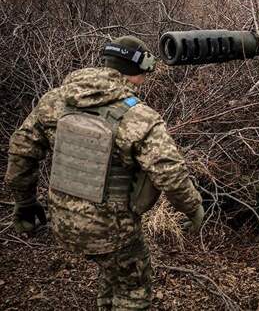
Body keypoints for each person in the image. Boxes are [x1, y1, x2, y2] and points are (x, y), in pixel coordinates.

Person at [5, 35, 205, 310]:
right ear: (137, 72)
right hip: (114, 231)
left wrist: (25, 202)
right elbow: (170, 172)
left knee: (111, 272)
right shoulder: (139, 117)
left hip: (63, 222)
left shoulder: (55, 101)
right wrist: (192, 208)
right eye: (143, 77)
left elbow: (21, 150)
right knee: (132, 289)